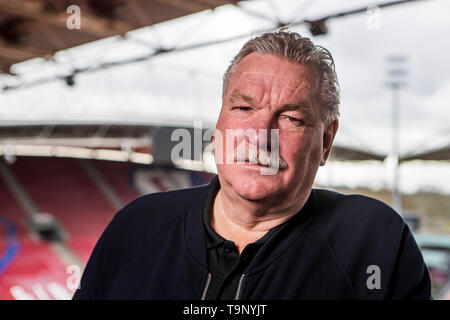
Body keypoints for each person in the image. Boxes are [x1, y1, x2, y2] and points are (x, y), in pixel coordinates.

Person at [72, 31, 431, 300]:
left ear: (325, 141)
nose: (260, 137)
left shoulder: (375, 242)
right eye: (244, 109)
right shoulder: (135, 227)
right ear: (219, 121)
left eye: (291, 118)